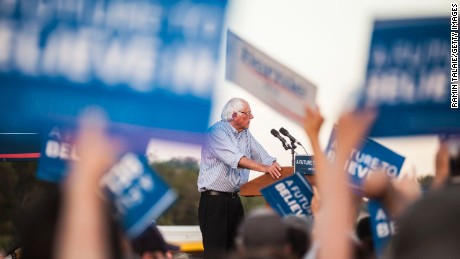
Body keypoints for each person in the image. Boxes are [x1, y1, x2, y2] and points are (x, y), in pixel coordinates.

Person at [197, 97, 282, 258]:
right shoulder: (216, 133)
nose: (252, 117)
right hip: (215, 202)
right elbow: (237, 159)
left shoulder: (245, 134)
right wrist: (265, 168)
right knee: (216, 254)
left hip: (234, 201)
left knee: (238, 252)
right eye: (248, 113)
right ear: (234, 115)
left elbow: (263, 156)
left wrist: (278, 167)